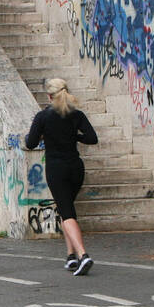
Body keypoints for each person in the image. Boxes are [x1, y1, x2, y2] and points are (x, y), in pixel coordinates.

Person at [25, 78, 98, 275]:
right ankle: (70, 256)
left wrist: (41, 136)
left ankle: (83, 255)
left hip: (57, 169)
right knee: (68, 210)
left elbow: (30, 143)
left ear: (49, 96)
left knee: (66, 214)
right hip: (76, 168)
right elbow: (92, 138)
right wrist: (75, 136)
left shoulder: (43, 117)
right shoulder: (77, 115)